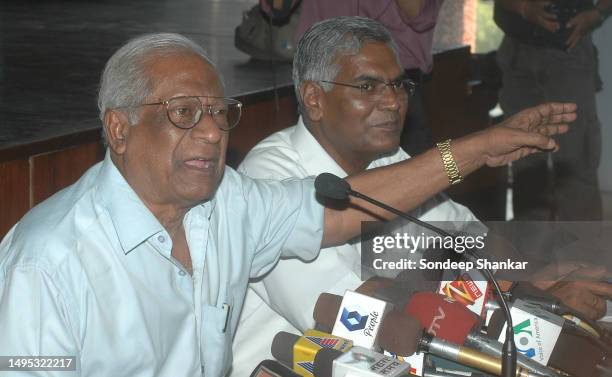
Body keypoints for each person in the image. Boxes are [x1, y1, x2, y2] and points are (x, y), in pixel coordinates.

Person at [0, 32, 572, 377]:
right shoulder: (47, 261)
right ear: (118, 129)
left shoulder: (226, 205)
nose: (210, 134)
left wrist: (478, 148)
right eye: (182, 115)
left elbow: (341, 211)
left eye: (219, 113)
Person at [231, 16, 610, 375]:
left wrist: (540, 280)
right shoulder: (270, 177)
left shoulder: (388, 159)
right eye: (368, 86)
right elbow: (359, 313)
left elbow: (470, 238)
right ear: (314, 98)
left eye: (398, 85)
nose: (394, 102)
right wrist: (523, 305)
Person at [494, 0, 611, 220]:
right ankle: (530, 252)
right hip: (517, 51)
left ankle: (580, 252)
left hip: (569, 50)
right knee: (525, 162)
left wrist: (598, 13)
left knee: (575, 164)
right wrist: (523, 8)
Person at [295, 0, 445, 156]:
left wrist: (466, 152)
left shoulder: (394, 102)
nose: (392, 104)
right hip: (322, 76)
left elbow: (420, 17)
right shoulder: (279, 171)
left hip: (403, 74)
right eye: (367, 88)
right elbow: (276, 8)